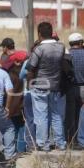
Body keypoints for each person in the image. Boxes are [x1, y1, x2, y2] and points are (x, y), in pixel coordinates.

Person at [26, 22, 66, 151]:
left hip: (40, 87)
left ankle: (43, 144)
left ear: (39, 34)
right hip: (56, 86)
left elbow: (30, 69)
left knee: (41, 116)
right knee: (56, 116)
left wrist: (29, 85)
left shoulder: (39, 49)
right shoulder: (61, 47)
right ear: (51, 32)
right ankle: (60, 143)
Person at [68, 33, 84, 150]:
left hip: (69, 88)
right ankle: (82, 140)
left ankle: (70, 139)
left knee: (70, 114)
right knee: (83, 113)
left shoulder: (66, 55)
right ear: (81, 43)